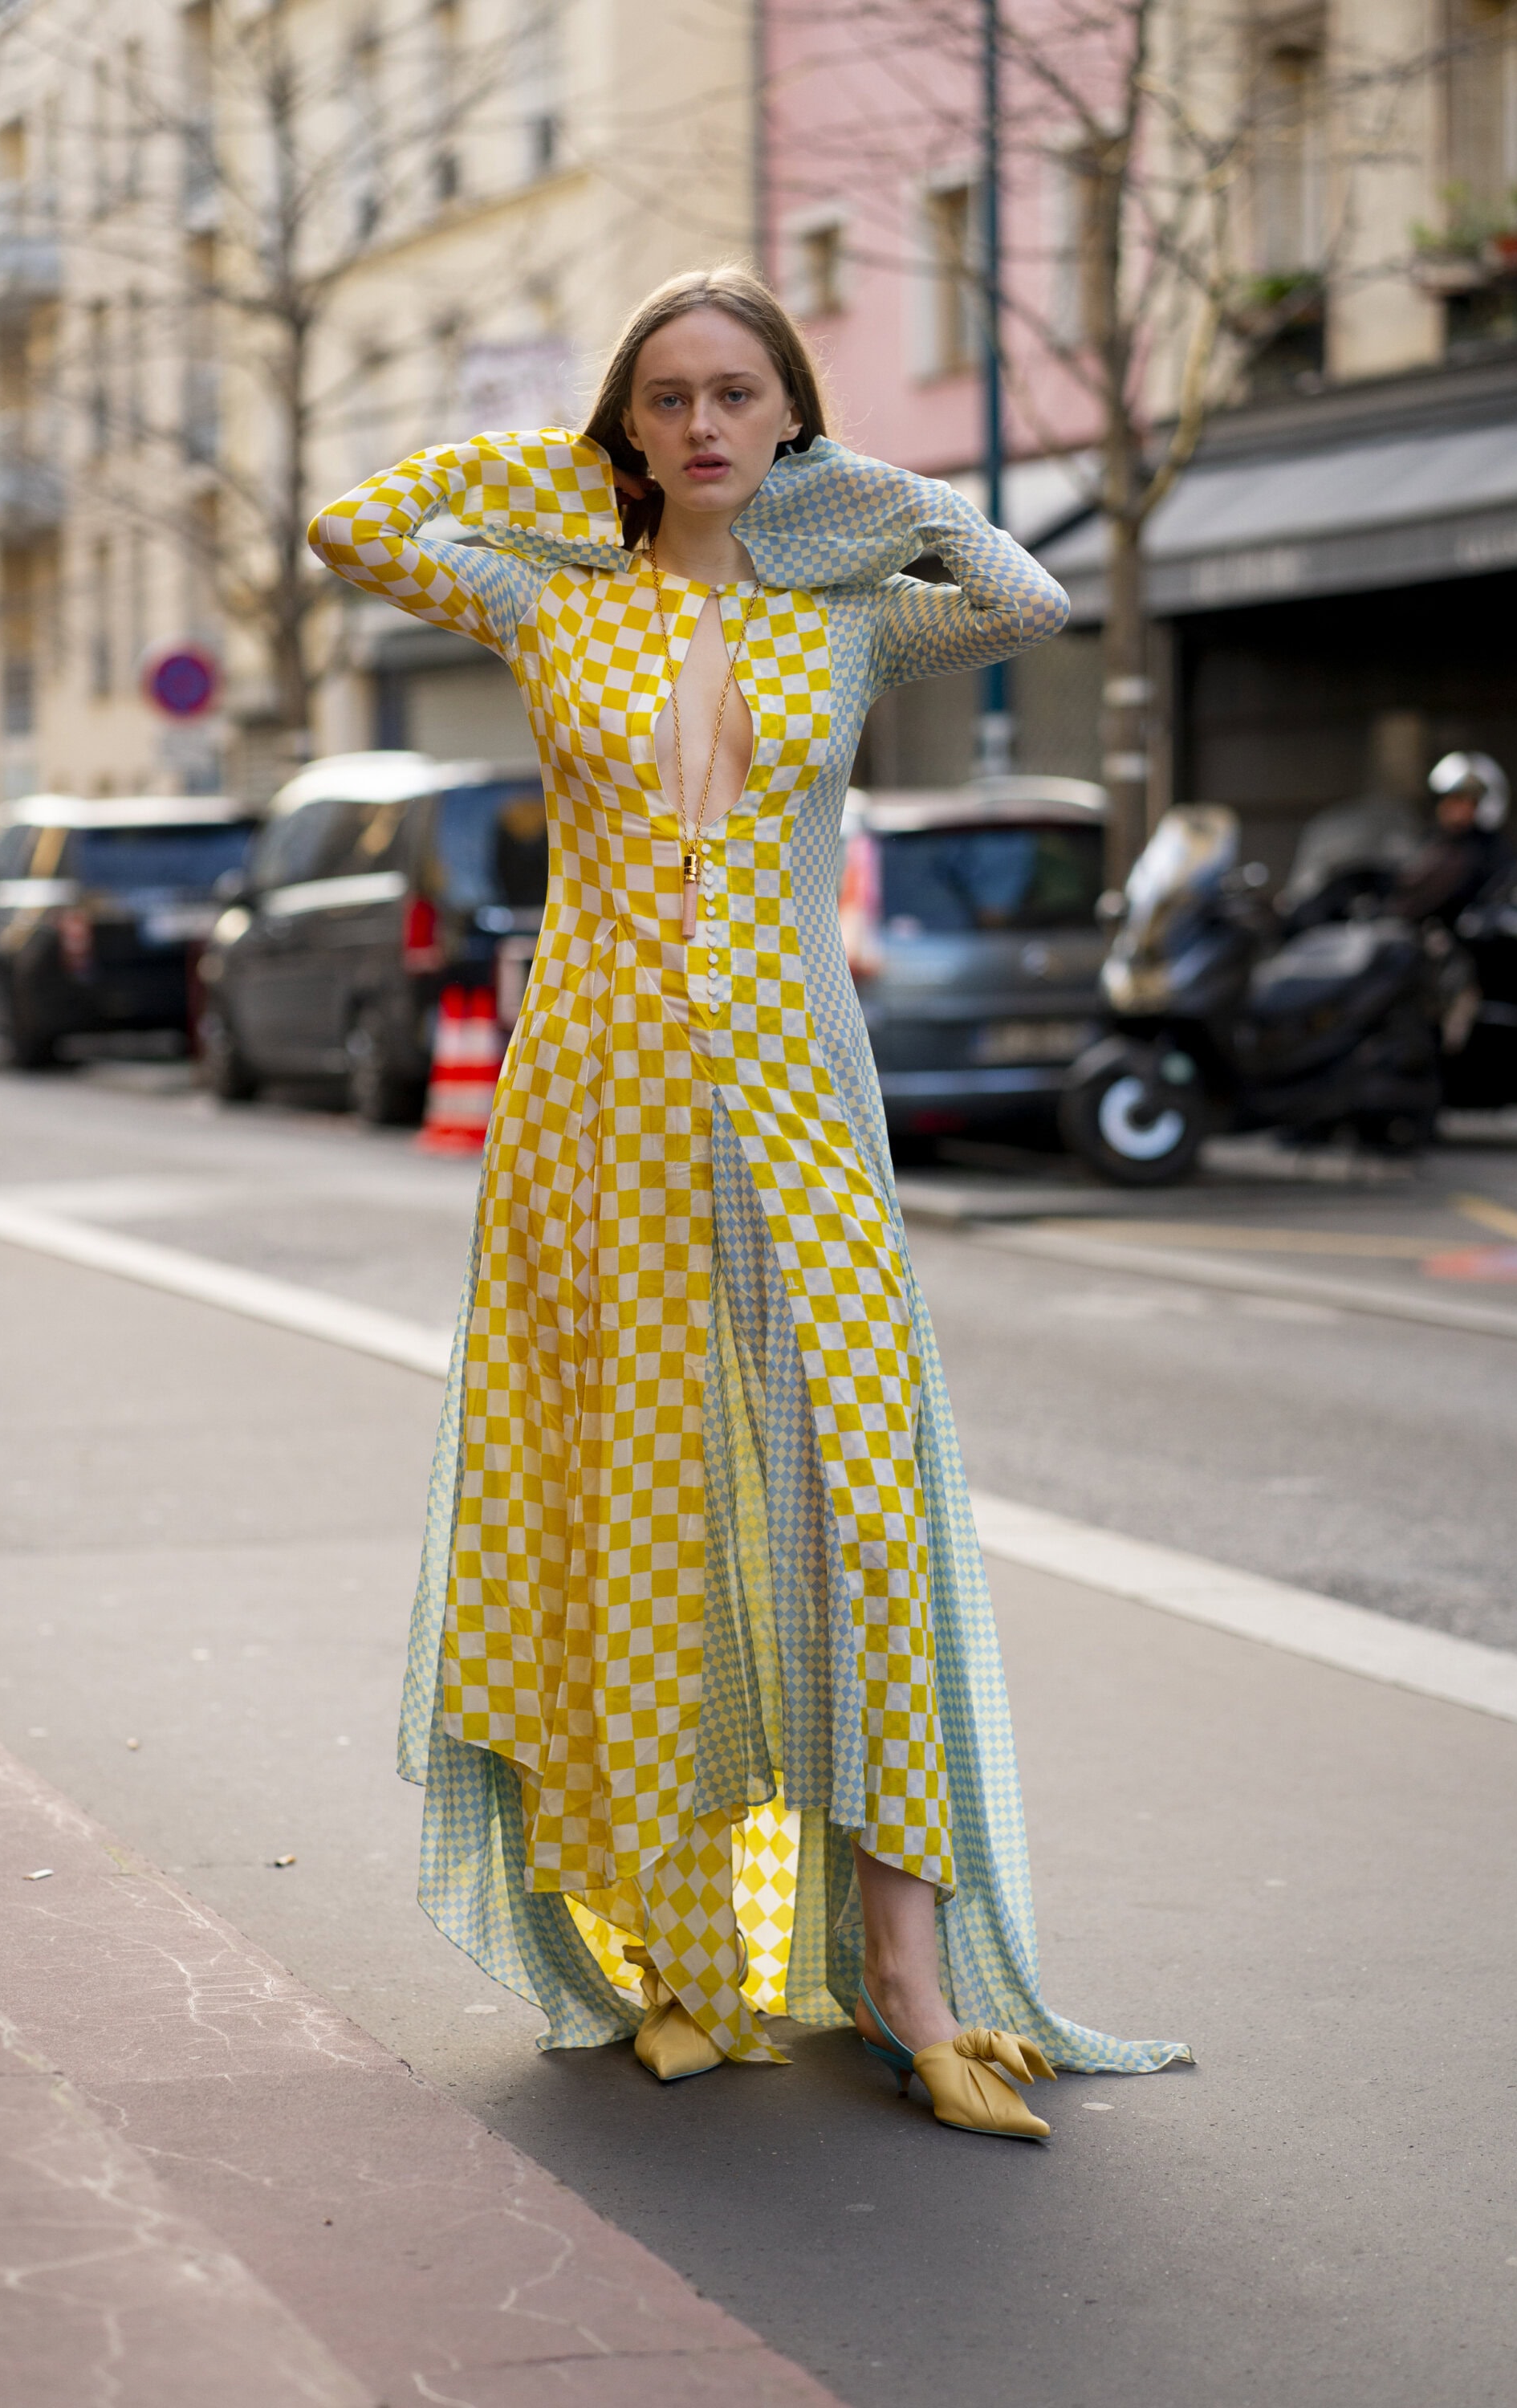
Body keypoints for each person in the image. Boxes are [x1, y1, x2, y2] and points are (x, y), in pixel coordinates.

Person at [310, 266, 1189, 2138]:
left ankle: (901, 1975)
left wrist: (870, 493)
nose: (700, 425)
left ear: (789, 411)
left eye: (735, 393)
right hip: (594, 1114)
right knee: (638, 1509)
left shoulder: (846, 612)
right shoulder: (547, 596)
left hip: (800, 1103)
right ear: (625, 427)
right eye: (665, 398)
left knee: (854, 1512)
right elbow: (353, 526)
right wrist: (569, 476)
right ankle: (683, 1959)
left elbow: (1023, 599)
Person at [1396, 751, 1517, 929]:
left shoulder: (1490, 853)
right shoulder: (1432, 842)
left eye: (1461, 800)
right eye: (1447, 799)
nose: (1449, 808)